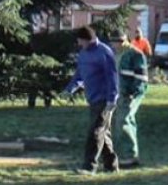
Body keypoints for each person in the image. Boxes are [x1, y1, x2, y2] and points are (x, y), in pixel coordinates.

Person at [62, 26, 120, 175]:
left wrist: (112, 99)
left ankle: (89, 167)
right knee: (103, 132)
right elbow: (79, 75)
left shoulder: (104, 52)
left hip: (105, 99)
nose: (79, 44)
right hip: (92, 98)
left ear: (88, 39)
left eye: (81, 41)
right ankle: (111, 166)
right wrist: (69, 89)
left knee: (95, 132)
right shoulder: (83, 54)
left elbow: (112, 77)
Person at [113, 32, 149, 168]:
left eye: (120, 42)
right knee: (124, 120)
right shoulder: (117, 54)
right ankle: (128, 154)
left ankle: (128, 156)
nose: (117, 45)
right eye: (115, 42)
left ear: (126, 41)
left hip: (131, 93)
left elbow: (142, 78)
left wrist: (133, 92)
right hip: (121, 92)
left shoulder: (135, 54)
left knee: (124, 120)